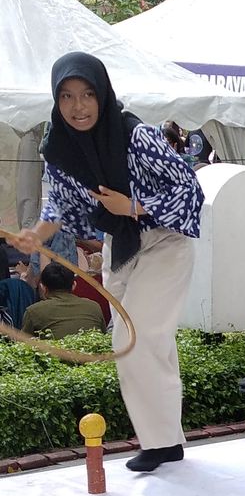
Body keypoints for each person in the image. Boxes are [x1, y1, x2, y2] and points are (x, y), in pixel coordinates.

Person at [10, 52, 202, 473]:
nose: (78, 106)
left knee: (135, 339)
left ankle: (160, 444)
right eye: (67, 96)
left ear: (103, 94)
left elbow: (189, 190)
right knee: (152, 342)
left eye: (87, 94)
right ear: (56, 101)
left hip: (166, 242)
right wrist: (34, 238)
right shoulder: (58, 146)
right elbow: (57, 205)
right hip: (122, 246)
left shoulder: (137, 136)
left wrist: (133, 205)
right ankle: (167, 440)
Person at [21, 262, 104, 338]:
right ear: (74, 285)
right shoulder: (94, 307)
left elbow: (23, 347)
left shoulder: (33, 311)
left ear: (43, 287)